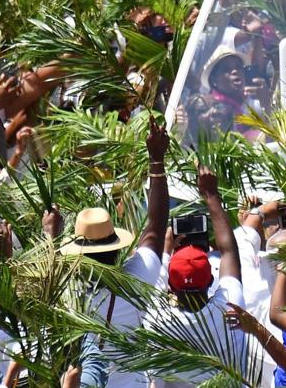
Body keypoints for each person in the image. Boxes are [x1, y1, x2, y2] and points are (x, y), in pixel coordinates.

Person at [56, 118, 171, 388]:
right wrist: (156, 159)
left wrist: (51, 235)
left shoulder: (64, 291)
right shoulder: (136, 280)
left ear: (77, 253)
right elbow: (155, 227)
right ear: (115, 248)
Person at [145, 165, 248, 387]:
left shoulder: (157, 319)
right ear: (211, 280)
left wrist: (166, 249)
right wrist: (211, 195)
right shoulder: (229, 309)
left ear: (170, 287)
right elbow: (229, 251)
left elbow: (157, 280)